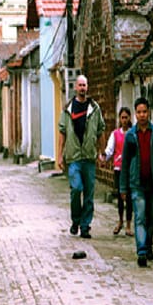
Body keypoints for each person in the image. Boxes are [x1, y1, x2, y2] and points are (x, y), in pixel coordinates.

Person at [120, 96, 153, 267]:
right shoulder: (130, 136)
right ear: (135, 114)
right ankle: (141, 251)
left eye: (144, 111)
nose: (142, 115)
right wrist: (122, 187)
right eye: (139, 112)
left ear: (149, 112)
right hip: (136, 183)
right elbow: (125, 163)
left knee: (151, 217)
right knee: (140, 217)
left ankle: (148, 245)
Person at [57, 74, 105, 239]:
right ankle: (75, 220)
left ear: (87, 87)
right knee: (76, 189)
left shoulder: (95, 108)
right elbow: (62, 133)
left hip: (89, 157)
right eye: (80, 85)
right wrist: (60, 156)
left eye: (85, 85)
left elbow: (100, 131)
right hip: (74, 157)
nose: (83, 88)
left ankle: (85, 226)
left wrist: (101, 152)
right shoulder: (68, 109)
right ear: (76, 88)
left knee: (89, 194)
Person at [103, 106, 134, 236]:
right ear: (119, 119)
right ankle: (120, 221)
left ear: (129, 118)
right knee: (121, 196)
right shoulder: (115, 134)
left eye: (126, 117)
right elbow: (110, 150)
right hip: (119, 168)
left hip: (131, 169)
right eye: (122, 117)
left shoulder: (133, 133)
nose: (124, 120)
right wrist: (103, 158)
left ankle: (128, 224)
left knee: (130, 197)